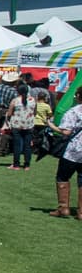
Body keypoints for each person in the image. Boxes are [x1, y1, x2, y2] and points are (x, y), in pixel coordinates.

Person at [46, 85, 82, 219]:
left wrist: (52, 126)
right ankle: (81, 212)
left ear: (78, 96)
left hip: (73, 151)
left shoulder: (73, 112)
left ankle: (63, 208)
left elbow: (66, 131)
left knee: (63, 176)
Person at [5, 83, 36, 171]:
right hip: (29, 125)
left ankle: (16, 164)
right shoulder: (33, 100)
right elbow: (35, 112)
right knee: (27, 146)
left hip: (17, 125)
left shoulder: (15, 101)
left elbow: (10, 113)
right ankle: (27, 165)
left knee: (17, 145)